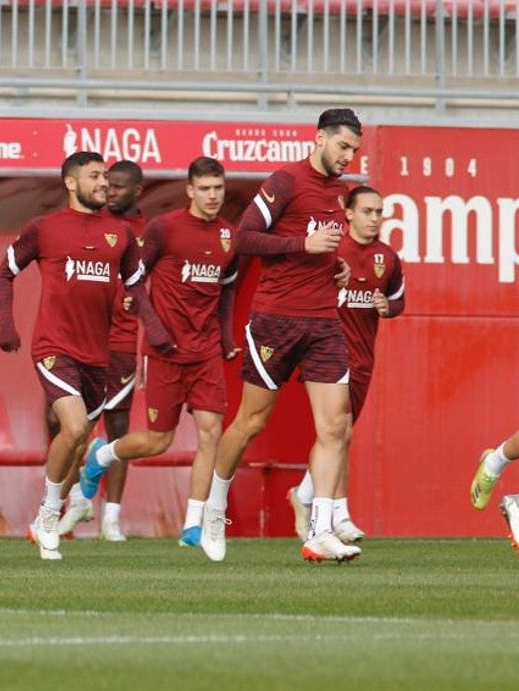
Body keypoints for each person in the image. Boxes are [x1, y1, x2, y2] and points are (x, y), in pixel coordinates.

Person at [201, 108, 361, 563]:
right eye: (342, 146)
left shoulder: (339, 192)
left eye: (354, 150)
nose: (348, 156)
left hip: (324, 322)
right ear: (319, 139)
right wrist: (301, 246)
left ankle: (320, 530)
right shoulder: (285, 181)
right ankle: (214, 509)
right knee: (251, 422)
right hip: (276, 320)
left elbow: (321, 250)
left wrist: (337, 266)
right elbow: (242, 239)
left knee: (335, 426)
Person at [0, 150, 170, 560]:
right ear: (70, 183)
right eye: (94, 177)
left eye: (105, 177)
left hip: (99, 354)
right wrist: (6, 326)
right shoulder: (45, 228)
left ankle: (58, 507)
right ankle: (48, 514)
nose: (103, 184)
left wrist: (157, 332)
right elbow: (4, 272)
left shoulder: (120, 234)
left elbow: (136, 286)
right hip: (54, 347)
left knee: (77, 443)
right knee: (72, 429)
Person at [77, 157, 241, 549]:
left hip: (204, 354)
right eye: (205, 189)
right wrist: (153, 327)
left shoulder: (228, 237)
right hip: (164, 352)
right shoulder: (164, 228)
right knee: (158, 441)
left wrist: (226, 337)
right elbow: (134, 279)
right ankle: (102, 455)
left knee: (210, 433)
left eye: (218, 189)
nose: (213, 196)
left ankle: (192, 526)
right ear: (189, 190)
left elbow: (228, 289)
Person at [289, 186, 405, 543]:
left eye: (379, 212)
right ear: (349, 214)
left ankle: (304, 496)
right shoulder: (333, 250)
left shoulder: (387, 257)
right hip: (327, 353)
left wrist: (387, 307)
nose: (374, 218)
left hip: (362, 357)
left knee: (338, 434)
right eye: (367, 211)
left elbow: (398, 300)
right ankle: (337, 514)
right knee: (339, 432)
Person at [58, 160, 147, 541]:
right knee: (70, 425)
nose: (111, 191)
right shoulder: (90, 224)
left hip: (123, 340)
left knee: (119, 426)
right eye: (107, 183)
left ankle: (111, 517)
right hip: (80, 338)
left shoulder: (146, 232)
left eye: (120, 186)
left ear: (138, 191)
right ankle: (71, 500)